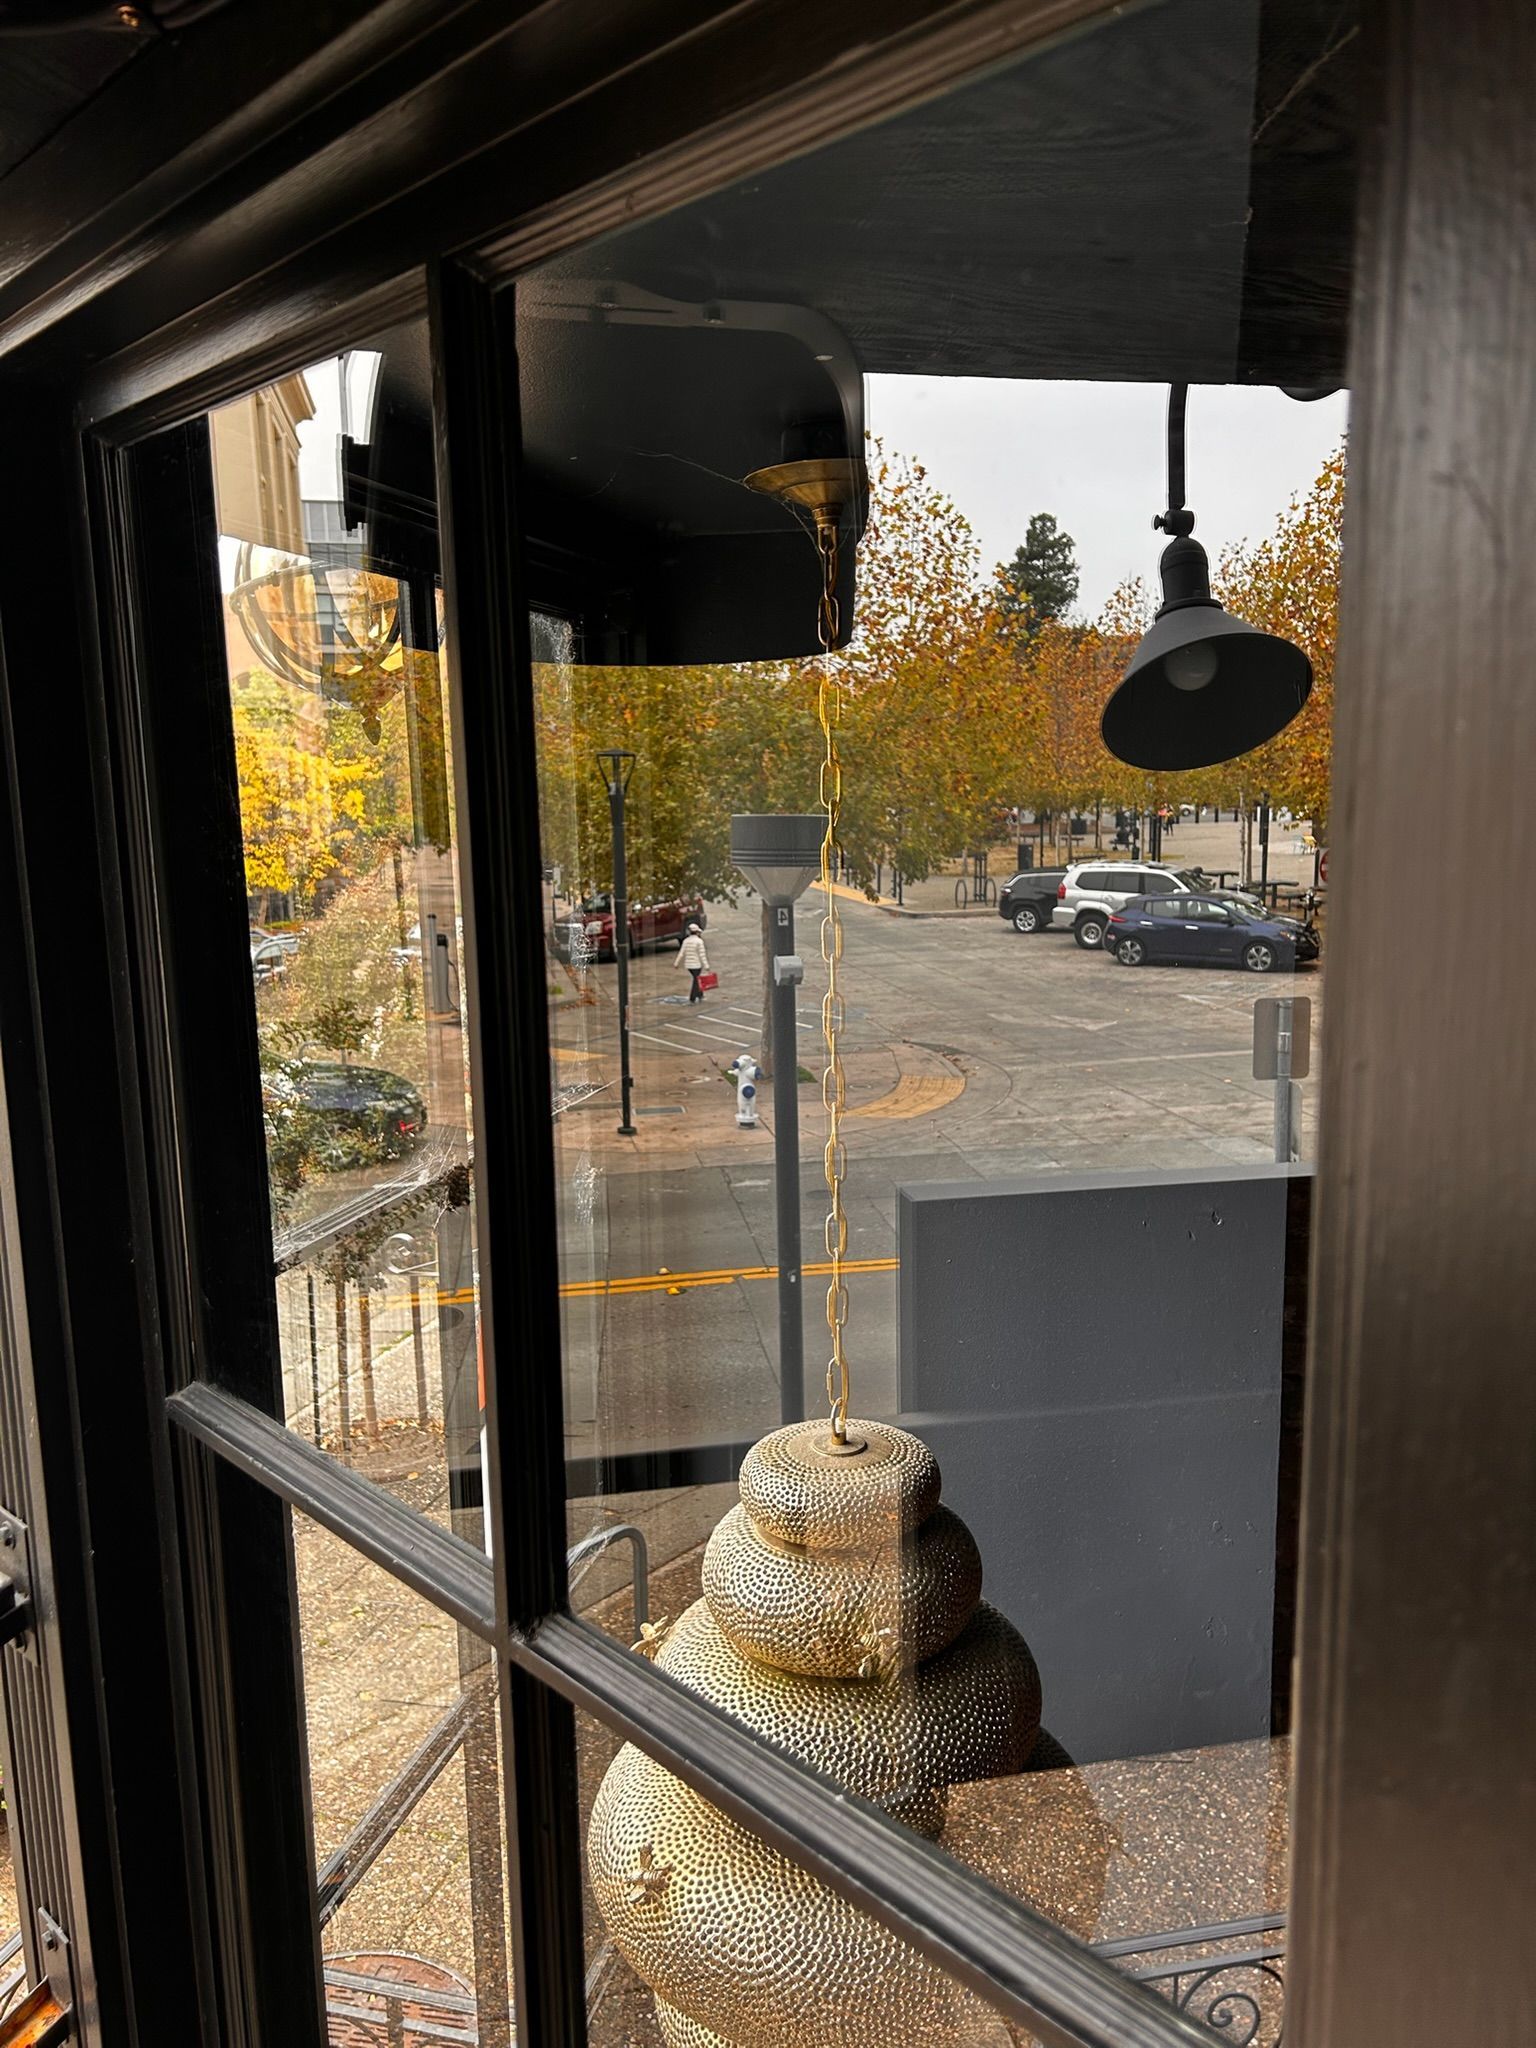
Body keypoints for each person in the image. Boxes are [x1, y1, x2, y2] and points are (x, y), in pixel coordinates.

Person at [676, 922, 710, 1002]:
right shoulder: (699, 941)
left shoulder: (686, 941)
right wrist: (706, 965)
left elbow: (681, 953)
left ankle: (700, 994)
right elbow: (702, 955)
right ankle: (693, 997)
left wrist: (676, 963)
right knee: (696, 980)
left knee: (696, 979)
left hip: (688, 965)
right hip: (697, 964)